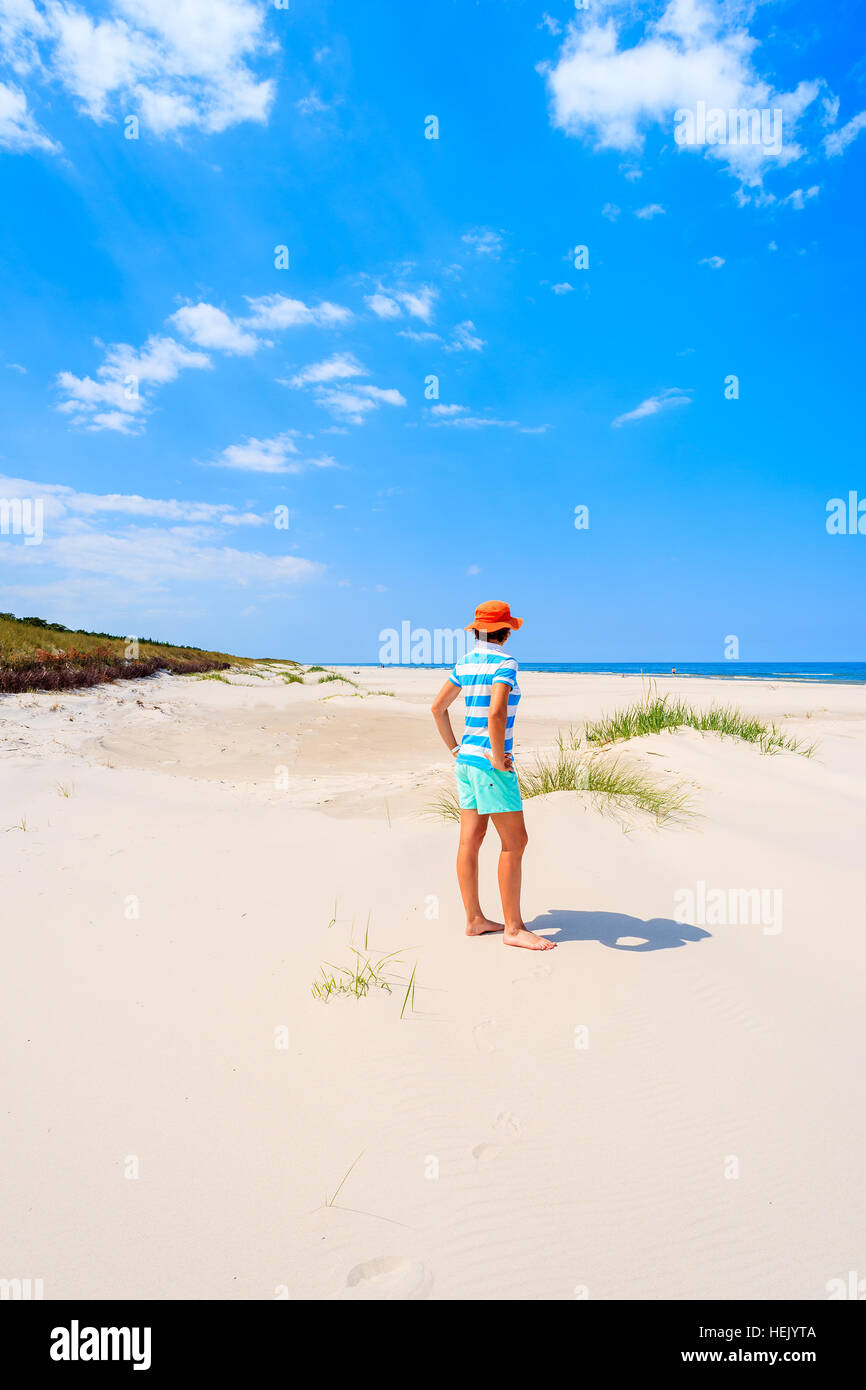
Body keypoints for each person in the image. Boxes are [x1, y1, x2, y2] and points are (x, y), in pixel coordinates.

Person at [431, 600, 556, 951]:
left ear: (477, 630)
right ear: (507, 630)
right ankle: (513, 929)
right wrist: (499, 758)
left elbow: (437, 708)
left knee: (469, 841)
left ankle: (474, 919)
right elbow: (497, 711)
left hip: (466, 762)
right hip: (489, 763)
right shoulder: (505, 663)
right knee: (515, 843)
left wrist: (456, 748)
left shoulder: (465, 663)